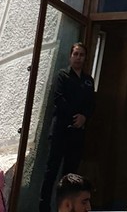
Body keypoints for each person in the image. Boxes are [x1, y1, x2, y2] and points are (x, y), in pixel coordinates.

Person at [38, 43, 95, 212]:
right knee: (51, 171)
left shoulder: (88, 81)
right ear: (70, 56)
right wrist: (73, 117)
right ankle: (44, 207)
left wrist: (84, 117)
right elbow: (58, 99)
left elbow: (91, 104)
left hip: (76, 134)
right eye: (75, 54)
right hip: (60, 131)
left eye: (81, 55)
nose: (78, 57)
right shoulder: (62, 76)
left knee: (70, 176)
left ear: (85, 58)